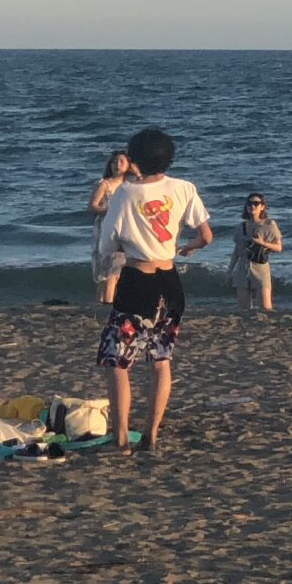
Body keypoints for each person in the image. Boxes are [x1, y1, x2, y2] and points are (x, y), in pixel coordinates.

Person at [93, 126, 213, 454]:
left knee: (117, 360)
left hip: (138, 281)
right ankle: (152, 434)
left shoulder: (125, 194)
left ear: (135, 160)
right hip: (170, 281)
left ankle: (120, 438)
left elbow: (107, 245)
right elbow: (206, 235)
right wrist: (186, 248)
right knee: (161, 359)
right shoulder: (184, 188)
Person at [87, 149, 132, 303]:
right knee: (108, 267)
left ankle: (103, 301)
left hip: (124, 228)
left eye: (121, 162)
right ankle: (106, 301)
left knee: (117, 265)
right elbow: (93, 205)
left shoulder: (130, 185)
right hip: (105, 227)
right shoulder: (105, 184)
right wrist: (109, 211)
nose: (117, 165)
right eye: (114, 162)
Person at [236, 194, 284, 316]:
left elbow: (278, 247)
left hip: (260, 267)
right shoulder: (242, 226)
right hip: (243, 266)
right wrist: (230, 269)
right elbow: (237, 250)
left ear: (262, 206)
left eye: (256, 203)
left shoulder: (269, 224)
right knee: (243, 309)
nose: (252, 206)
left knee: (265, 308)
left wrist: (262, 243)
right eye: (249, 203)